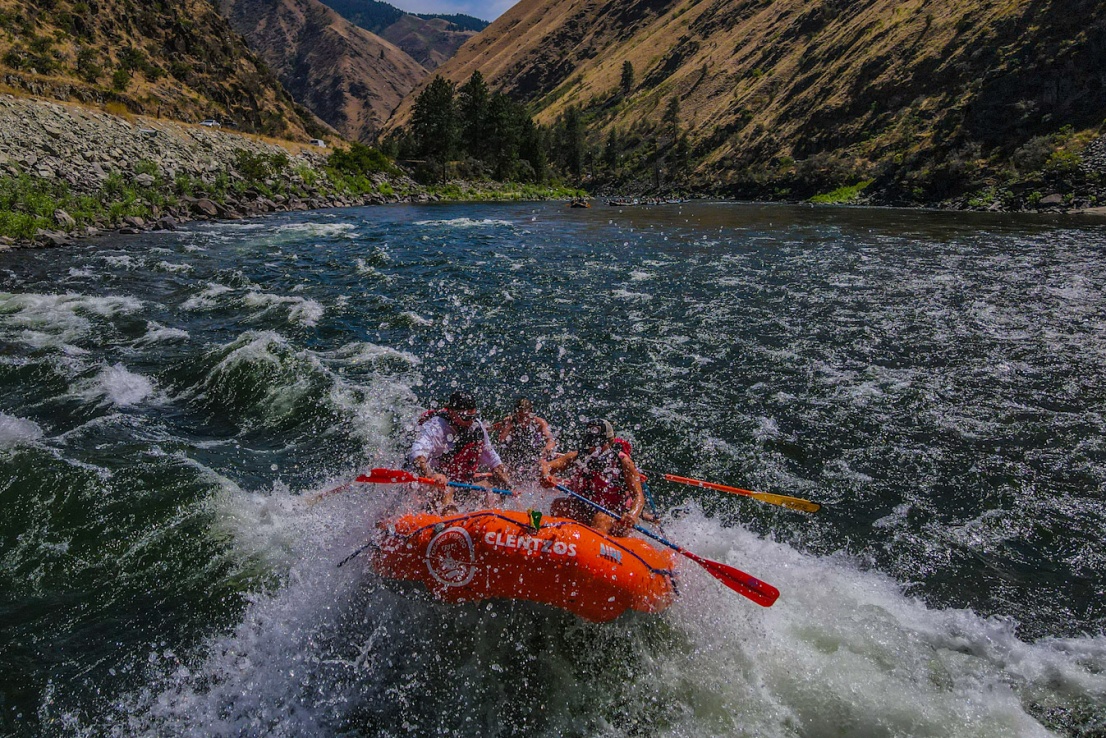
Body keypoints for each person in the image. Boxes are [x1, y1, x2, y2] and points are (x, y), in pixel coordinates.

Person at [409, 390, 512, 513]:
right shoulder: (435, 427)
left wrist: (509, 484)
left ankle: (491, 520)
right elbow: (416, 456)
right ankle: (448, 521)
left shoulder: (476, 428)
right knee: (448, 489)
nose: (470, 421)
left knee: (493, 486)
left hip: (460, 484)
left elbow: (494, 462)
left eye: (472, 417)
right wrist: (432, 475)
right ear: (452, 412)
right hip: (433, 484)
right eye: (465, 417)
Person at [540, 419, 645, 536]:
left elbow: (638, 496)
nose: (595, 448)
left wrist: (633, 515)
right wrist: (547, 476)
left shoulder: (623, 462)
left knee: (601, 518)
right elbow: (546, 466)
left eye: (599, 444)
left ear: (610, 442)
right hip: (584, 509)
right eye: (592, 443)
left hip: (613, 515)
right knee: (560, 506)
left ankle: (595, 547)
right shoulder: (578, 456)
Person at [491, 397, 557, 483]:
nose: (523, 420)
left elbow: (551, 440)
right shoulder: (510, 421)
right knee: (505, 471)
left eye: (526, 416)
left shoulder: (539, 423)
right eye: (520, 417)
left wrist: (546, 450)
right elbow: (501, 440)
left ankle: (547, 480)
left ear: (531, 413)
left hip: (533, 454)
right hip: (513, 454)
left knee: (541, 463)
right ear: (516, 414)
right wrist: (508, 427)